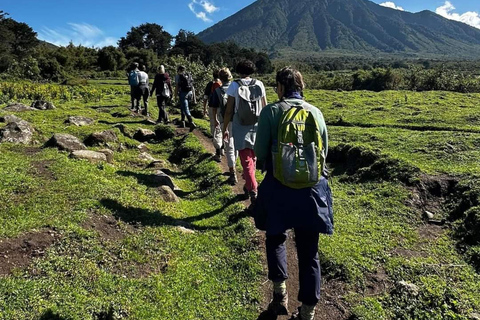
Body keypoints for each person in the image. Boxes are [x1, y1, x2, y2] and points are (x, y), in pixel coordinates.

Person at [254, 67, 333, 320]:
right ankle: (308, 313)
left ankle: (280, 295)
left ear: (279, 87)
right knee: (309, 251)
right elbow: (324, 154)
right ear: (301, 86)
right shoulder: (316, 112)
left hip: (279, 187)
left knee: (276, 237)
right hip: (312, 190)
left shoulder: (271, 111)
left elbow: (260, 154)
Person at [222, 60, 267, 206]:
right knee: (252, 157)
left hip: (240, 125)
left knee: (245, 158)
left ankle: (253, 189)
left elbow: (229, 109)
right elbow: (265, 106)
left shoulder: (235, 85)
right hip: (257, 124)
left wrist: (225, 128)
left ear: (238, 70)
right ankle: (249, 184)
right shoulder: (259, 84)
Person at [209, 68, 237, 184]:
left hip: (224, 120)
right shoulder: (237, 87)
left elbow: (214, 107)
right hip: (238, 120)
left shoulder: (218, 91)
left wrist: (215, 119)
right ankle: (233, 164)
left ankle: (232, 171)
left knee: (228, 146)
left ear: (220, 78)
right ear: (230, 76)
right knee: (235, 145)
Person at [206, 69, 223, 162]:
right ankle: (223, 148)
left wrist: (204, 109)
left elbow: (205, 97)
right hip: (224, 109)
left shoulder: (211, 84)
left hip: (213, 108)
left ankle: (218, 152)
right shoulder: (223, 84)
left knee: (215, 128)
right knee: (223, 128)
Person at [175, 65, 197, 132]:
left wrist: (175, 95)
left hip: (183, 93)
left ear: (178, 70)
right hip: (190, 92)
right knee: (183, 106)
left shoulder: (178, 76)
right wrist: (194, 97)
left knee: (186, 108)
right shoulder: (189, 75)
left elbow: (177, 86)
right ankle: (182, 121)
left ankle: (191, 122)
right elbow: (192, 86)